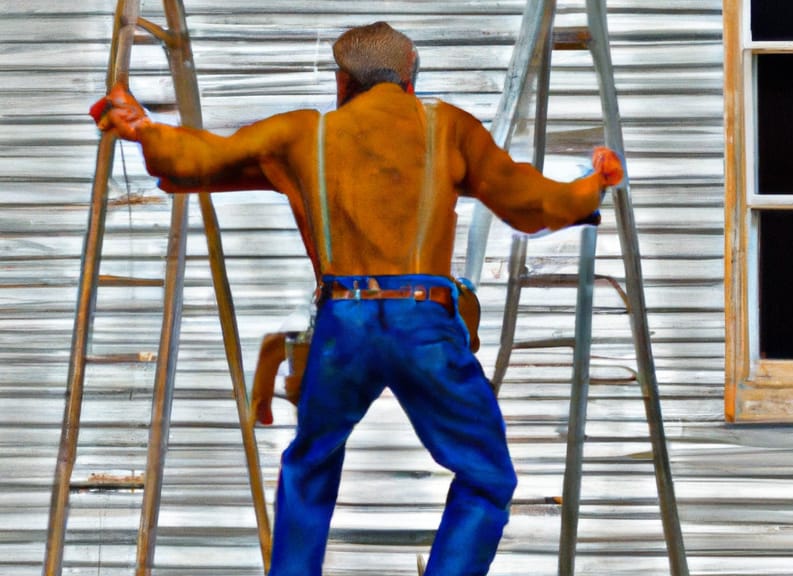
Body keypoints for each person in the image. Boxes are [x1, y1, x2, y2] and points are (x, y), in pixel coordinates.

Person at [91, 21, 623, 576]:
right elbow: (528, 202)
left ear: (342, 83)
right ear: (410, 83)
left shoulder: (304, 134)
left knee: (310, 467)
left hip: (343, 324)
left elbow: (200, 158)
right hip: (423, 324)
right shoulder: (448, 128)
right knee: (486, 477)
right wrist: (591, 184)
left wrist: (144, 128)